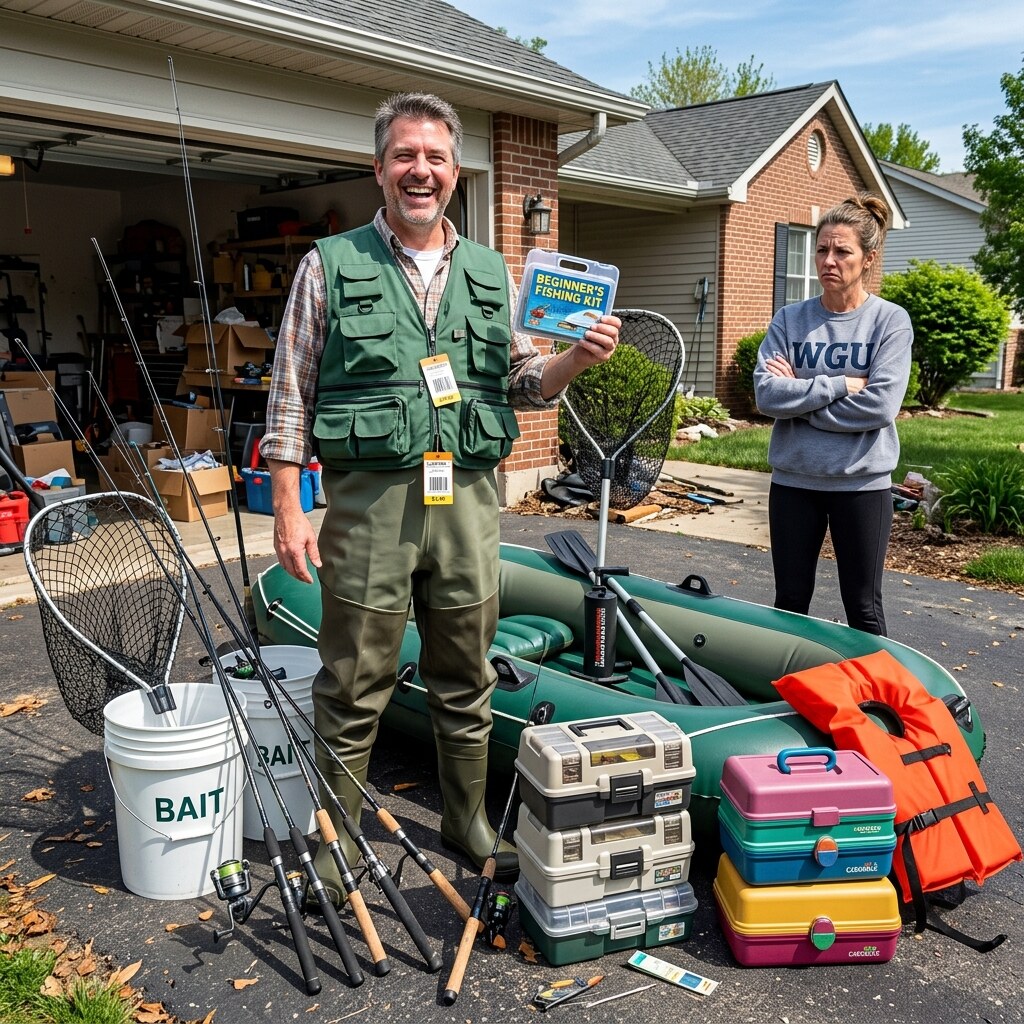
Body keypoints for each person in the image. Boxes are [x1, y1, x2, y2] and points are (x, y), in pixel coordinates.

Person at [260, 92, 620, 900]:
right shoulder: (329, 264)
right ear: (379, 168)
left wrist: (576, 363)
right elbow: (289, 396)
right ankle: (334, 841)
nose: (419, 171)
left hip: (466, 510)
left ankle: (466, 823)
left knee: (467, 679)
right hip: (370, 514)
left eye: (436, 158)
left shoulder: (496, 271)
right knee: (353, 685)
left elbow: (526, 380)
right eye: (404, 156)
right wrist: (288, 507)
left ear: (456, 171)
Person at [753, 192, 913, 637]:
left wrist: (800, 404)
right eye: (822, 248)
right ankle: (790, 692)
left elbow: (880, 405)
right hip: (793, 483)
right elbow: (766, 396)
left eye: (842, 251)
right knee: (789, 603)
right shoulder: (789, 319)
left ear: (868, 259)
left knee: (863, 607)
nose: (829, 259)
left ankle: (878, 698)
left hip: (861, 484)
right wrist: (839, 385)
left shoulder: (889, 321)